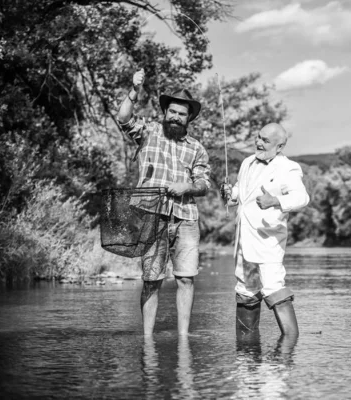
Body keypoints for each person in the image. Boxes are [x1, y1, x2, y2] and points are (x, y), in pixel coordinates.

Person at [117, 68, 211, 336]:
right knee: (151, 279)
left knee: (186, 279)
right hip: (150, 215)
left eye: (182, 114)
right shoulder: (148, 131)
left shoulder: (196, 148)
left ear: (189, 118)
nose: (176, 117)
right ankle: (147, 337)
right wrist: (134, 91)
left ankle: (183, 336)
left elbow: (204, 184)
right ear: (165, 112)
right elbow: (123, 118)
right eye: (172, 111)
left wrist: (188, 187)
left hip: (186, 218)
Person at [220, 123, 309, 338]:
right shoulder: (246, 162)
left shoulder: (288, 168)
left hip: (268, 240)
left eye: (265, 140)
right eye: (258, 137)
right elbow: (241, 194)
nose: (258, 142)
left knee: (272, 286)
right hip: (243, 238)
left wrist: (275, 200)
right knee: (245, 289)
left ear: (279, 147)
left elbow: (302, 198)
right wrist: (230, 194)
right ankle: (247, 351)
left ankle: (289, 345)